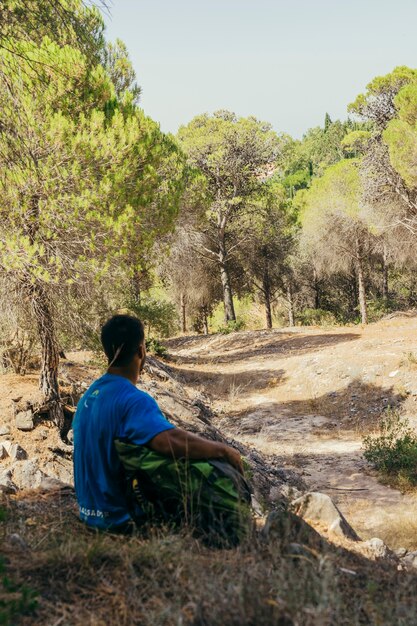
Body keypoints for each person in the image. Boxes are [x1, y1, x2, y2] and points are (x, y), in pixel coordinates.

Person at [73, 314, 249, 541]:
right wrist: (225, 451)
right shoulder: (133, 399)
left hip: (89, 515)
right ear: (141, 351)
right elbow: (169, 441)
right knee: (210, 466)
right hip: (120, 521)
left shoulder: (89, 395)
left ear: (107, 351)